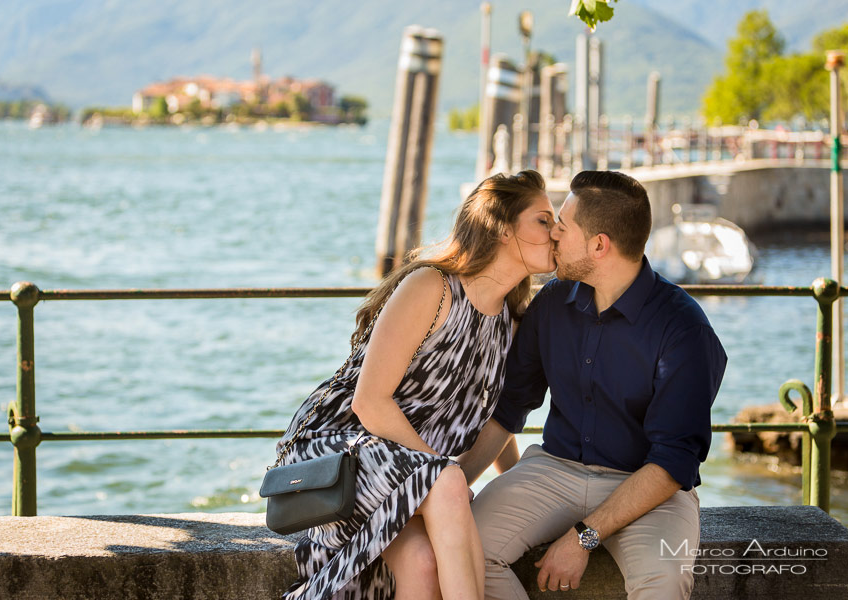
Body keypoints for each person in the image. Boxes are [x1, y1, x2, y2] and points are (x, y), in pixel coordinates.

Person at [274, 170, 556, 599]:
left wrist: (515, 490)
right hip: (336, 453)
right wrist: (443, 476)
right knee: (444, 483)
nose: (556, 232)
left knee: (423, 563)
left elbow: (495, 418)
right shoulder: (432, 288)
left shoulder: (512, 324)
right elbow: (370, 403)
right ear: (501, 228)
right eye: (543, 219)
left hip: (411, 470)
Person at [459, 170, 727, 599]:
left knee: (663, 583)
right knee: (465, 546)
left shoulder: (683, 329)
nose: (553, 239)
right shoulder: (552, 303)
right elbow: (509, 408)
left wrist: (583, 537)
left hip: (647, 486)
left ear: (599, 245)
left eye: (561, 229)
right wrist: (453, 485)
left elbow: (674, 461)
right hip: (555, 469)